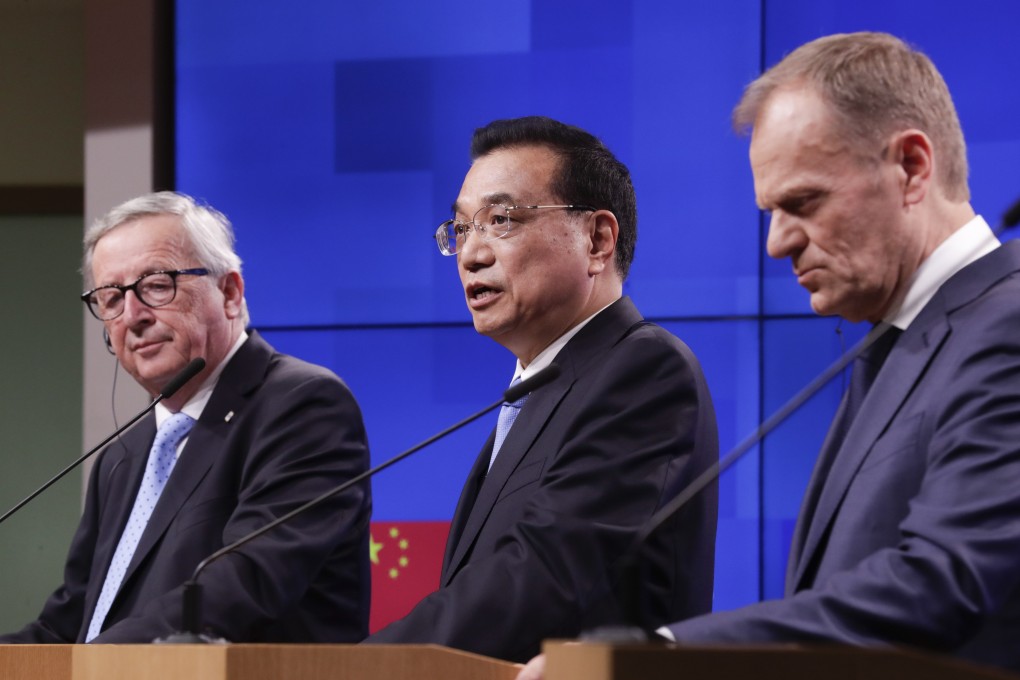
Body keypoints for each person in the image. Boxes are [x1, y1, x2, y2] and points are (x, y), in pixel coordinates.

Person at [517, 32, 1020, 679]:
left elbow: (941, 582)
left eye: (803, 203)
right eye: (770, 212)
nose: (777, 244)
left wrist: (657, 659)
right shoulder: (898, 339)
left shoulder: (1005, 326)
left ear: (912, 167)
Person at [365, 116, 719, 663]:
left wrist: (350, 669)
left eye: (501, 220)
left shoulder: (644, 371)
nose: (471, 254)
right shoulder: (540, 388)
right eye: (461, 229)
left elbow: (541, 578)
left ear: (597, 240)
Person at [0, 192, 372, 643]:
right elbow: (65, 627)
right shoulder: (122, 457)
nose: (132, 316)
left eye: (157, 285)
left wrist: (90, 665)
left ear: (229, 293)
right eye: (111, 297)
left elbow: (241, 586)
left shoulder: (302, 406)